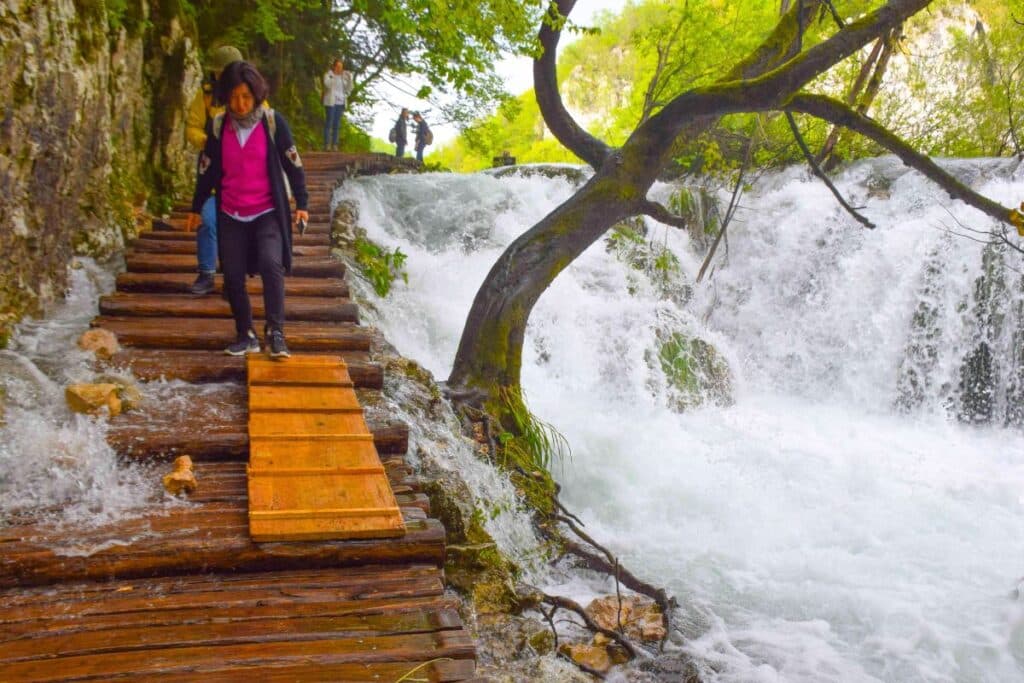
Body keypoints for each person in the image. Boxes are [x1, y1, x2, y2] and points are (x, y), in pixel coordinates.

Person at [186, 61, 309, 359]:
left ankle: (275, 332)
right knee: (232, 274)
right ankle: (246, 333)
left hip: (267, 210)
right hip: (231, 212)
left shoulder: (272, 123)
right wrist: (196, 206)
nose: (240, 104)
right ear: (225, 97)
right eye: (233, 97)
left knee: (271, 264)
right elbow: (207, 171)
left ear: (256, 95)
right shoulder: (218, 127)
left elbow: (293, 164)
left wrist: (302, 204)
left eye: (246, 97)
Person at [184, 45, 243, 295]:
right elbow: (192, 126)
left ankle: (233, 277)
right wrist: (206, 141)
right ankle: (206, 273)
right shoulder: (206, 96)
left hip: (243, 177)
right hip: (213, 174)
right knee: (208, 221)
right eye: (222, 72)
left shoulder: (251, 93)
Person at [322, 58, 353, 151]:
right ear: (334, 67)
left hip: (340, 103)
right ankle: (327, 144)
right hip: (331, 102)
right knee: (329, 122)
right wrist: (335, 75)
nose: (340, 69)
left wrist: (350, 78)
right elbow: (327, 84)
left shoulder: (344, 77)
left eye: (341, 67)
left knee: (337, 124)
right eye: (338, 67)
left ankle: (335, 144)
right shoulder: (328, 75)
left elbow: (349, 89)